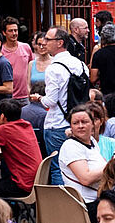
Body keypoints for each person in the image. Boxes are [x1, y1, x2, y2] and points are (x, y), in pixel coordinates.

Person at [36, 27, 86, 184]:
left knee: (58, 167)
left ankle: (60, 199)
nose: (44, 43)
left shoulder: (53, 68)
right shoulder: (80, 64)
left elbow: (50, 101)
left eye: (48, 39)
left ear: (60, 43)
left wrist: (39, 98)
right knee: (77, 166)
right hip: (78, 122)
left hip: (57, 123)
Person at [0, 99, 42, 198]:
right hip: (35, 181)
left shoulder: (4, 129)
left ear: (2, 116)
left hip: (22, 185)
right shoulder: (26, 125)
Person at [59, 103, 108, 217]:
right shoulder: (70, 146)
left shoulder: (92, 141)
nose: (80, 126)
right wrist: (112, 165)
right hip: (85, 205)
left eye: (84, 122)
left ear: (92, 124)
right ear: (71, 126)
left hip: (100, 198)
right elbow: (86, 179)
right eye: (75, 123)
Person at [0, 17, 34, 99]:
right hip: (8, 97)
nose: (14, 33)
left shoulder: (26, 47)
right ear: (4, 33)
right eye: (10, 31)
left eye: (16, 30)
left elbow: (32, 67)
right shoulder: (0, 52)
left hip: (26, 96)